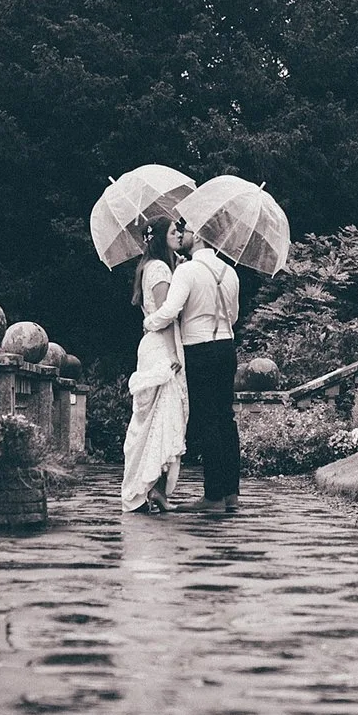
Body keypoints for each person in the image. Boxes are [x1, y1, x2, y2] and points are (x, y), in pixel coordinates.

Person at [145, 217, 241, 510]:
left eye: (186, 230)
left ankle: (212, 496)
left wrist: (149, 322)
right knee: (226, 418)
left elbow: (170, 310)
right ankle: (231, 494)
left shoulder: (187, 271)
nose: (183, 233)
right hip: (227, 347)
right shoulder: (230, 273)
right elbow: (234, 316)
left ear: (198, 236)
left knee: (207, 420)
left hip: (200, 350)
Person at [119, 218, 186, 513]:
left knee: (157, 417)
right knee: (162, 416)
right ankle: (150, 488)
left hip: (154, 345)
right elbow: (165, 316)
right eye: (174, 231)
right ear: (160, 238)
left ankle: (154, 488)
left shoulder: (156, 267)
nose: (180, 234)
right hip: (161, 347)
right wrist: (173, 354)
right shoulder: (159, 269)